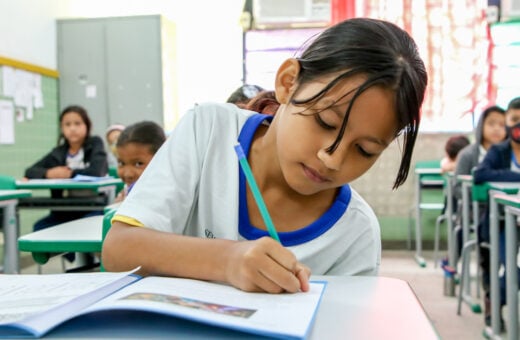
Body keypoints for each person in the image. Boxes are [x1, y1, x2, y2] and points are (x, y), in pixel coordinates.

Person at [103, 18, 428, 294]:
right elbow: (119, 249)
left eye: (364, 150)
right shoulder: (210, 130)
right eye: (325, 122)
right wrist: (228, 260)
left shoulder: (354, 233)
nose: (332, 159)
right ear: (289, 83)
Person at [474, 97, 520, 328]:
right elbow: (480, 175)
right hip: (502, 222)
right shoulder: (499, 151)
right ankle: (496, 301)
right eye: (514, 120)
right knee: (510, 268)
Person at [25, 105, 108, 231]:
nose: (72, 128)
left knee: (82, 229)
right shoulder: (58, 152)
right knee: (39, 227)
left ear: (87, 125)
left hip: (93, 207)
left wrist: (70, 174)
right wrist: (48, 173)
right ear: (61, 128)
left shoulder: (95, 144)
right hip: (63, 209)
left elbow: (97, 171)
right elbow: (30, 171)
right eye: (67, 125)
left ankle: (77, 252)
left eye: (77, 123)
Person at [114, 121, 166, 202]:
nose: (128, 174)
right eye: (121, 163)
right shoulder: (127, 192)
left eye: (139, 164)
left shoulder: (164, 196)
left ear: (162, 159)